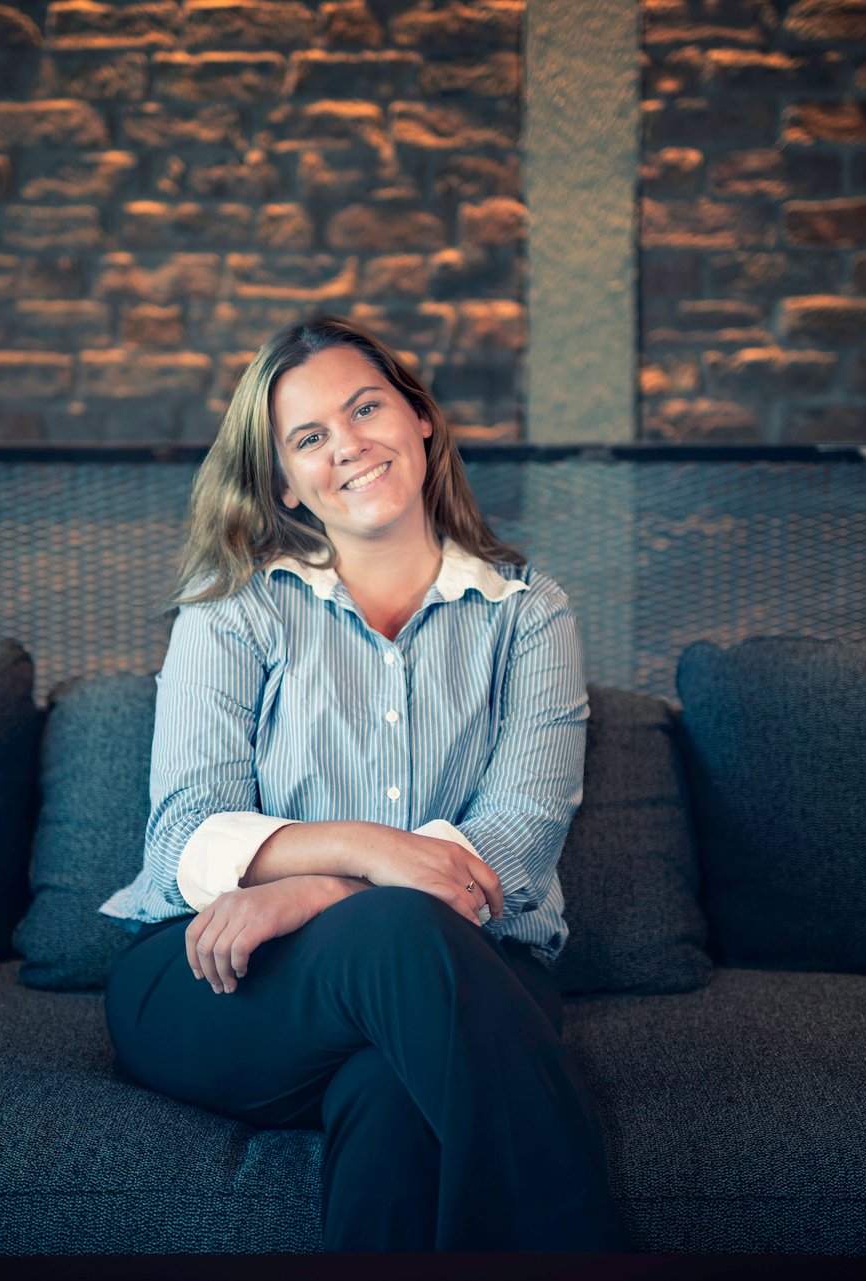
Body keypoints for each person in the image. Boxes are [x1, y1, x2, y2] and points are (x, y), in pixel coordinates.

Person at [95, 314, 630, 1253]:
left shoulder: (528, 613)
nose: (346, 444)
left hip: (466, 968)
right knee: (398, 928)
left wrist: (316, 891)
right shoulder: (234, 609)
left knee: (393, 1090)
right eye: (309, 436)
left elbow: (516, 837)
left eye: (365, 408)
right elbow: (184, 836)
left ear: (419, 417)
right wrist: (368, 855)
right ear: (285, 483)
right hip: (223, 979)